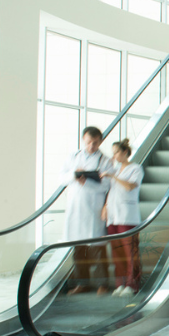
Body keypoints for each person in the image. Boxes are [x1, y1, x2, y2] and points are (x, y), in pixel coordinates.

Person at [61, 126, 110, 295]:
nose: (91, 146)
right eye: (89, 142)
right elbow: (62, 178)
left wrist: (87, 182)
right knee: (78, 249)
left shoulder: (105, 160)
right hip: (76, 209)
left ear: (100, 142)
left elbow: (106, 185)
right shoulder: (73, 157)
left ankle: (102, 283)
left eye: (95, 143)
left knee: (98, 249)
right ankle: (82, 283)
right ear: (83, 139)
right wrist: (75, 175)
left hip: (93, 209)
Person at [101, 138, 144, 298]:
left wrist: (113, 176)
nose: (114, 156)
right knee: (116, 252)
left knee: (129, 252)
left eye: (117, 152)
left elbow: (129, 186)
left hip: (127, 216)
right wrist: (105, 207)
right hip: (113, 216)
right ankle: (120, 284)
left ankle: (132, 285)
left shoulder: (135, 168)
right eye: (113, 153)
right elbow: (112, 191)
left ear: (125, 152)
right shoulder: (116, 170)